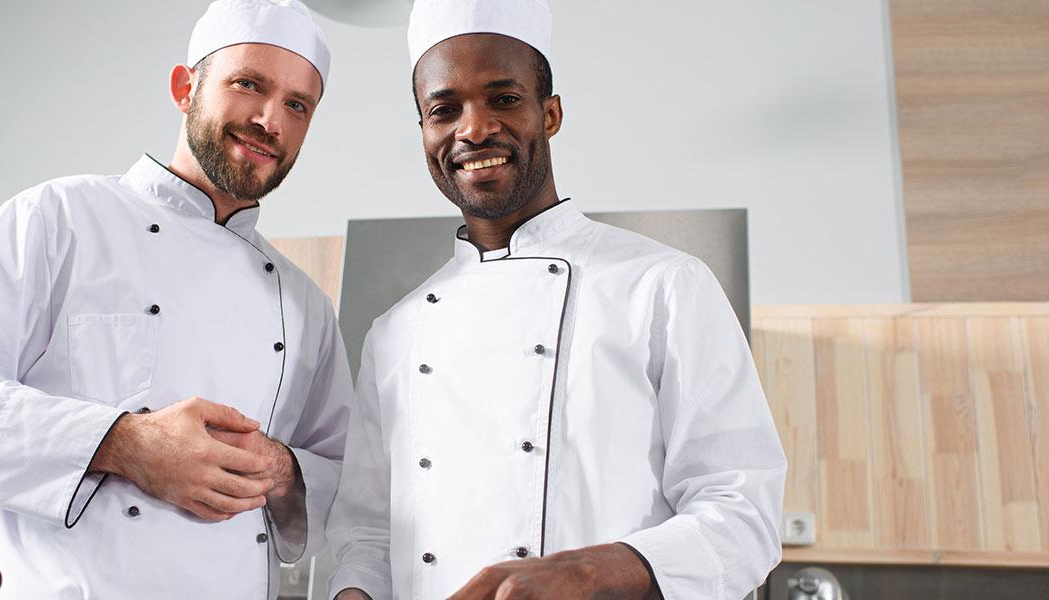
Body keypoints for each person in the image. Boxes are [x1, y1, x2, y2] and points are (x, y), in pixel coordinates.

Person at [0, 1, 350, 598]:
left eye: (297, 105)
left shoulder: (305, 304)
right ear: (185, 88)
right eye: (248, 84)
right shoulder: (59, 218)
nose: (270, 121)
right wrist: (121, 442)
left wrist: (281, 469)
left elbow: (348, 484)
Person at [326, 1, 787, 598]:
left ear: (551, 113)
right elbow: (365, 536)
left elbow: (744, 514)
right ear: (424, 132)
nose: (474, 129)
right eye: (445, 109)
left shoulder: (664, 286)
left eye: (503, 98)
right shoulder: (394, 334)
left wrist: (587, 571)